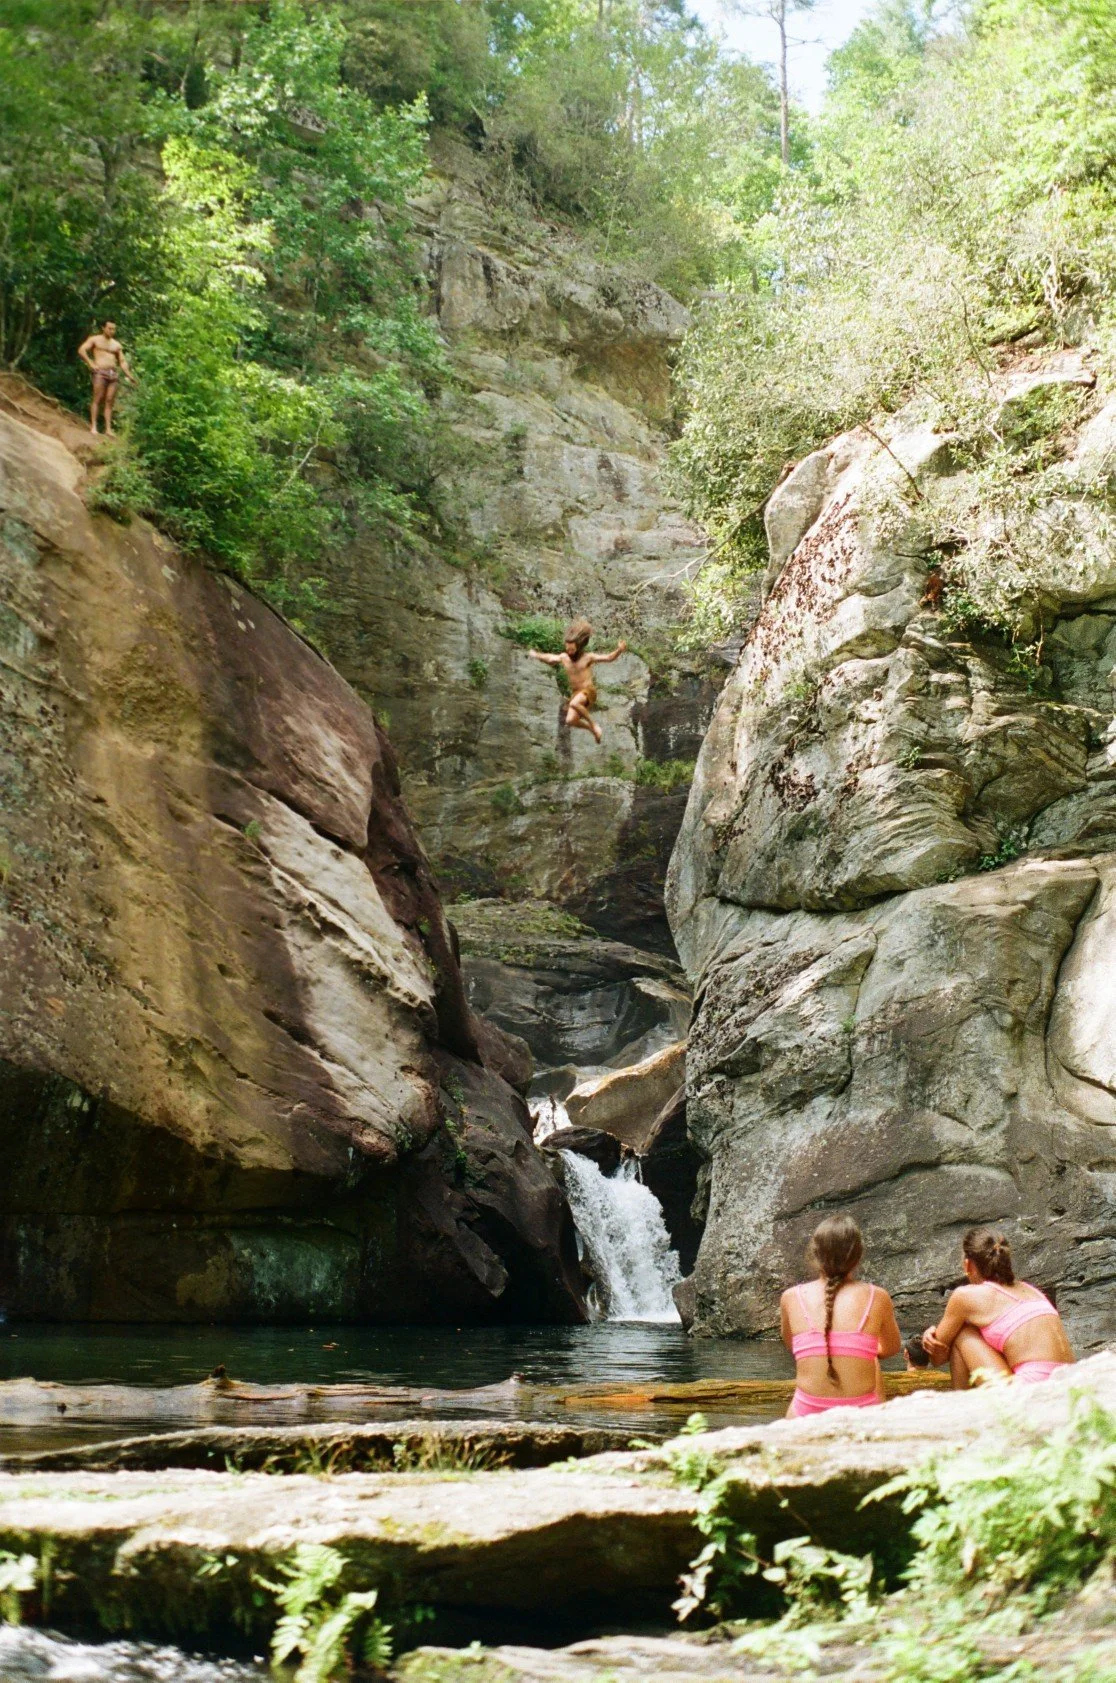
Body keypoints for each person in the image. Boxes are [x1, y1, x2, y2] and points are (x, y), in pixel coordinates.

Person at [780, 1213, 902, 1417]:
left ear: (815, 1254)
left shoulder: (791, 1297)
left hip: (805, 1413)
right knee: (871, 1358)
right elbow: (891, 1348)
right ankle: (880, 1421)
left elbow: (793, 1346)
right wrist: (858, 1348)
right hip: (861, 1411)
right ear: (857, 1257)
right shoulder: (877, 1296)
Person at [921, 1227, 1074, 1389]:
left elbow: (936, 1358)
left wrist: (928, 1335)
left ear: (968, 1265)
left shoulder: (965, 1297)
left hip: (1030, 1392)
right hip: (1072, 1386)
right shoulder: (1032, 1291)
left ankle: (964, 1408)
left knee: (962, 1332)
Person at [527, 618, 627, 743]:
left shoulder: (587, 658)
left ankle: (594, 725)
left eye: (572, 650)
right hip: (576, 693)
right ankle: (591, 729)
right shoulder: (564, 657)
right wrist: (537, 655)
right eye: (567, 649)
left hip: (588, 691)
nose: (569, 652)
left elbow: (608, 658)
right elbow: (551, 658)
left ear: (578, 648)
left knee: (574, 704)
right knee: (570, 721)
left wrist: (619, 650)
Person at [78, 320, 137, 437]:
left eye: (114, 329)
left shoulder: (116, 345)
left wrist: (129, 375)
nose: (112, 331)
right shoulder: (95, 339)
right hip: (100, 372)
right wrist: (90, 363)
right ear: (103, 328)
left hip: (113, 374)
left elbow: (122, 361)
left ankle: (108, 429)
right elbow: (81, 350)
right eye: (109, 328)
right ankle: (94, 426)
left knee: (109, 401)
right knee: (97, 398)